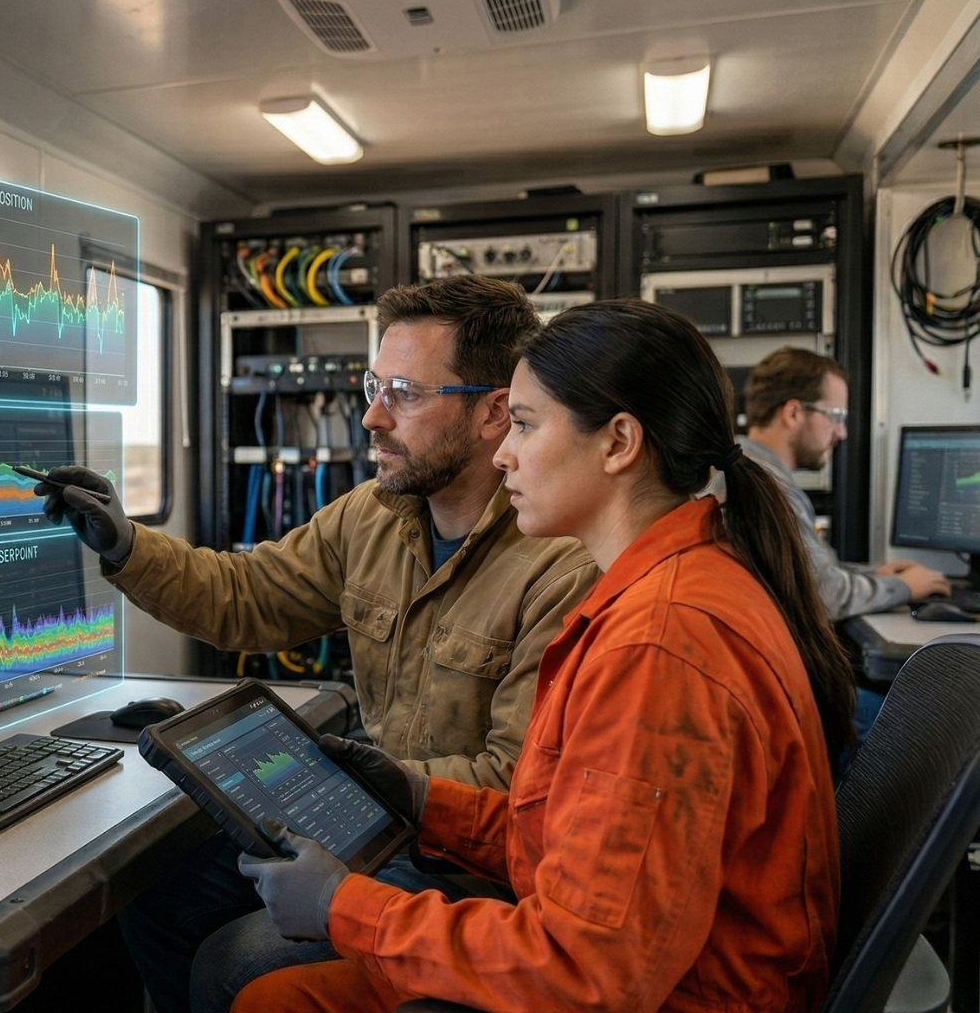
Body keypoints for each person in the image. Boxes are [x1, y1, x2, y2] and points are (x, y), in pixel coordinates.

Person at [227, 299, 847, 1013]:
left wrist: (343, 904)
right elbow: (574, 835)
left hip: (684, 996)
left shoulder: (661, 644)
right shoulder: (669, 585)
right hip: (668, 972)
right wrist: (422, 800)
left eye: (522, 424)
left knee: (266, 998)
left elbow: (589, 970)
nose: (501, 453)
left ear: (618, 444)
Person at [36, 275, 596, 1013]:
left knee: (240, 963)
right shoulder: (375, 514)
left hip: (464, 863)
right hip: (363, 816)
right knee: (157, 893)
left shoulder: (560, 562)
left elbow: (515, 786)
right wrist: (128, 543)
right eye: (374, 385)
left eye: (406, 392)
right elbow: (248, 596)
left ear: (496, 410)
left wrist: (345, 782)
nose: (370, 416)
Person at [739, 346, 948, 616]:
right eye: (836, 416)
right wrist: (903, 587)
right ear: (793, 413)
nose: (842, 432)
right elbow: (825, 594)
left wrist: (873, 574)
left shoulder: (747, 470)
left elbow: (806, 572)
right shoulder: (765, 488)